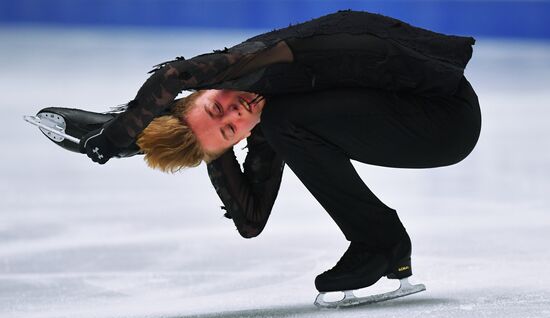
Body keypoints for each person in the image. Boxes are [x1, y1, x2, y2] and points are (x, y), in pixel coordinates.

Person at [78, 10, 481, 295]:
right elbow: (251, 220)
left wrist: (113, 139)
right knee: (280, 121)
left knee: (282, 120)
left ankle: (380, 244)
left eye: (217, 107)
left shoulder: (257, 63)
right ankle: (384, 245)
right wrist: (212, 150)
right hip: (427, 117)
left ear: (206, 89)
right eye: (230, 129)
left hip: (444, 116)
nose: (235, 112)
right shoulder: (276, 116)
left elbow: (172, 76)